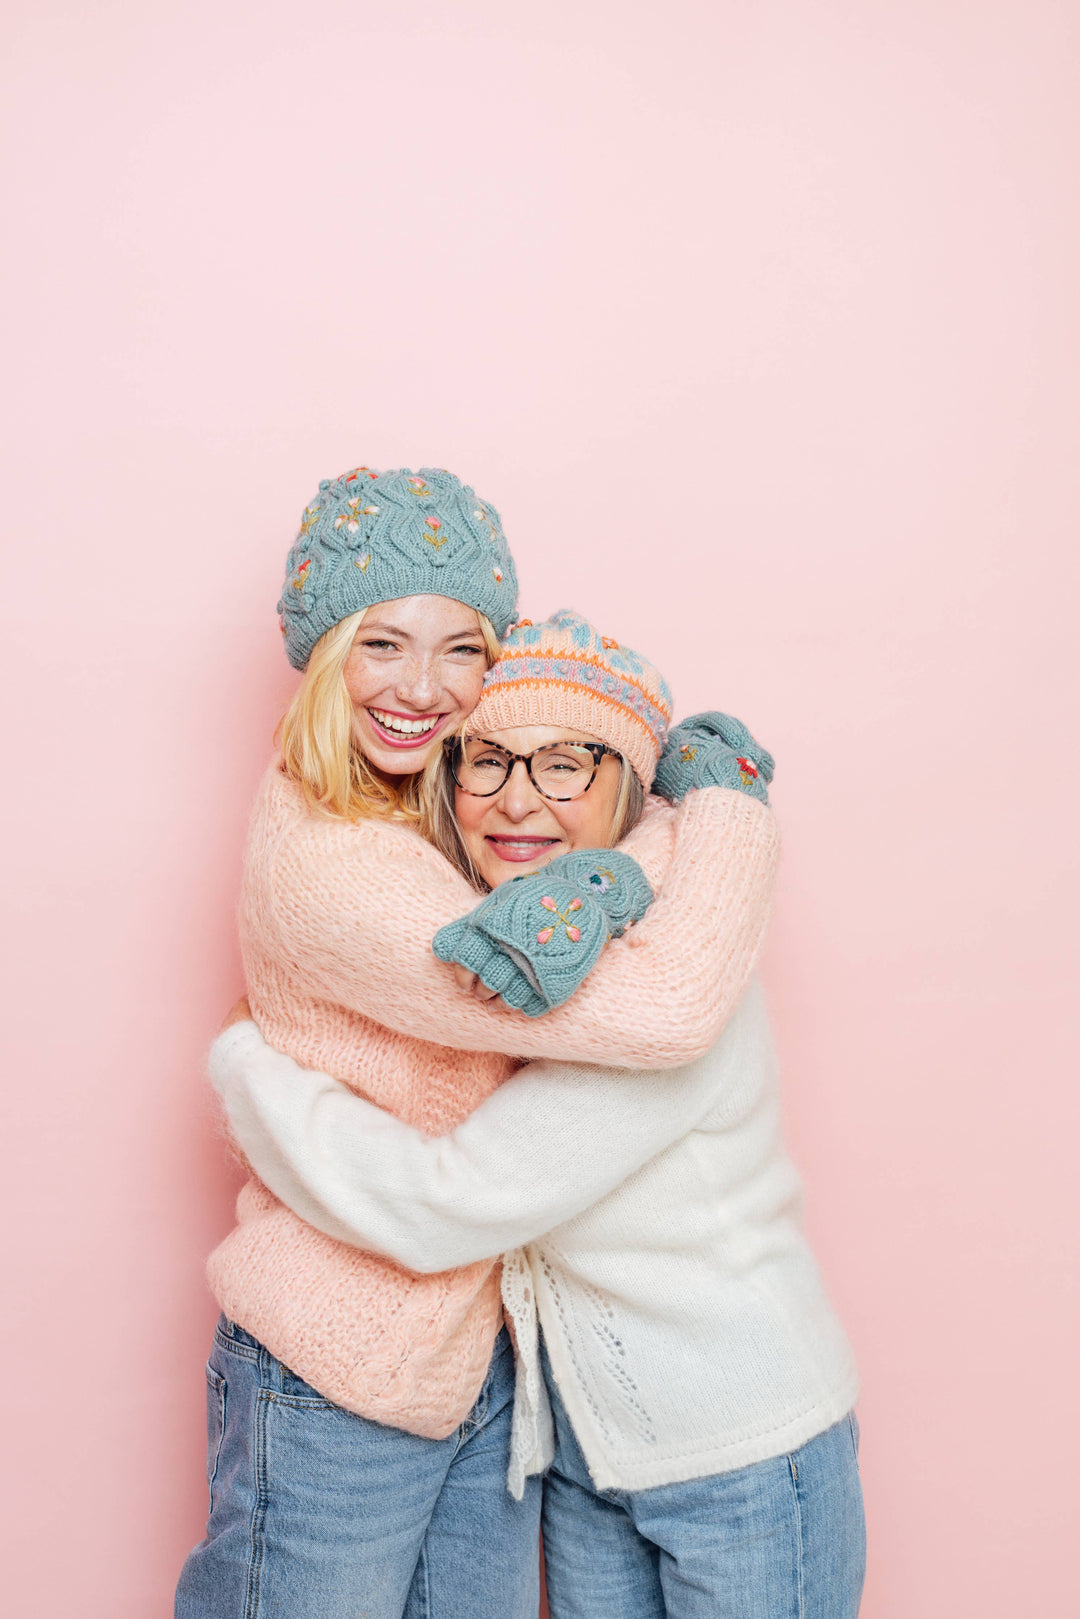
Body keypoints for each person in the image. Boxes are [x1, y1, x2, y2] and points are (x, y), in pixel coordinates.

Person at [175, 473, 778, 1619]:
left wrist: (626, 834)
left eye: (463, 649)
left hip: (482, 1358)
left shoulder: (431, 799)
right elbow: (664, 1009)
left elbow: (575, 816)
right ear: (324, 654)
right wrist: (723, 817)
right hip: (336, 1365)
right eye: (382, 642)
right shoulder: (337, 866)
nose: (423, 688)